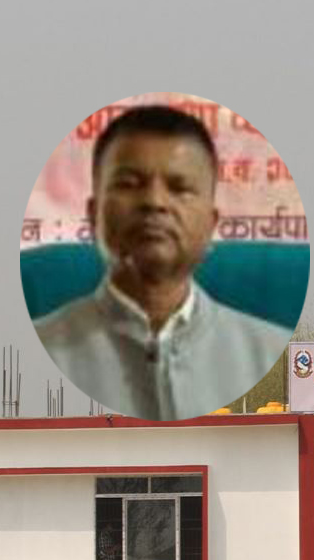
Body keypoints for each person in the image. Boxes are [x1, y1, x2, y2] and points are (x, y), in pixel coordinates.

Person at [33, 105, 294, 420]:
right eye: (129, 184)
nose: (154, 202)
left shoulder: (281, 360)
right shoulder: (29, 358)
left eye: (180, 188)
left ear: (211, 223)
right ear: (93, 215)